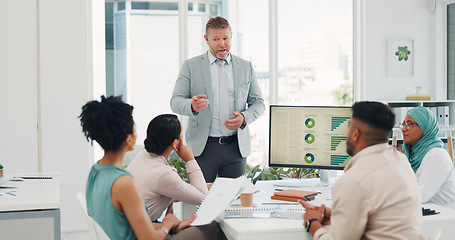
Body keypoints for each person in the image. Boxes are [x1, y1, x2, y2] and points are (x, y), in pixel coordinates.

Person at [79, 95, 226, 240]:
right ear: (128, 139)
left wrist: (174, 224)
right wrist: (167, 225)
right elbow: (148, 238)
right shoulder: (124, 183)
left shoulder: (96, 171)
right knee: (213, 228)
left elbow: (127, 223)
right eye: (135, 129)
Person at [300, 101, 424, 239]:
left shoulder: (353, 181)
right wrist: (337, 213)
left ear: (355, 134)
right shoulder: (401, 161)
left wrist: (312, 222)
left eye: (348, 127)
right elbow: (385, 216)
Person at [170, 16, 265, 183]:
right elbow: (176, 101)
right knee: (201, 202)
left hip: (236, 149)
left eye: (225, 38)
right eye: (216, 39)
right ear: (206, 39)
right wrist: (191, 105)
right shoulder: (190, 66)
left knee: (234, 203)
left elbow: (259, 103)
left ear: (231, 37)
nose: (222, 43)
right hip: (203, 148)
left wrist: (244, 117)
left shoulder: (245, 66)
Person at [127, 114, 208, 221]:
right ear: (175, 143)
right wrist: (190, 159)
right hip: (144, 232)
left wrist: (193, 188)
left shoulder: (142, 155)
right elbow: (202, 197)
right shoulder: (164, 173)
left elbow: (164, 187)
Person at [399, 106, 455, 208]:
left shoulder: (436, 155)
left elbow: (419, 195)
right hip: (424, 211)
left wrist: (401, 165)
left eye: (409, 124)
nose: (403, 129)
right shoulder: (412, 155)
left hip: (443, 217)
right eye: (403, 124)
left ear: (425, 127)